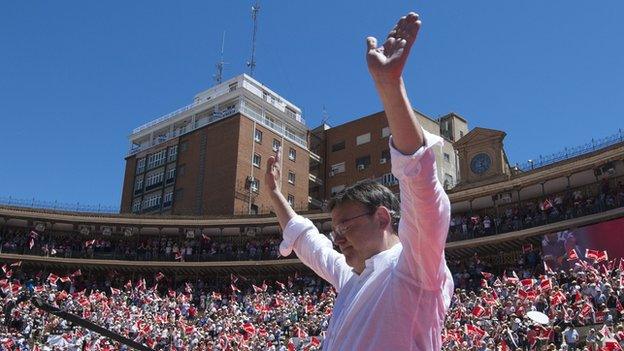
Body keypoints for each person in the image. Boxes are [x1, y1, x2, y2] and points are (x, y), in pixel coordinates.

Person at [265, 11, 453, 350]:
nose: (337, 240)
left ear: (382, 217)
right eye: (335, 231)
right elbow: (310, 243)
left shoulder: (415, 267)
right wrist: (275, 194)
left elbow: (422, 190)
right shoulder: (351, 277)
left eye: (344, 227)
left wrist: (390, 86)